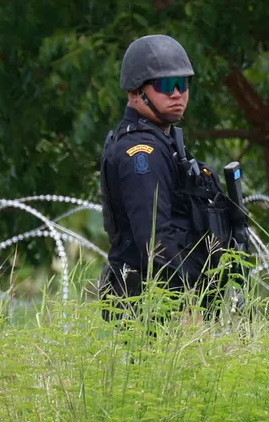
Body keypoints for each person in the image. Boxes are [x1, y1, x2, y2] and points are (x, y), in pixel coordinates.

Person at [97, 34, 247, 316]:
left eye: (183, 84)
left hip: (171, 303)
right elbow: (155, 240)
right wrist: (188, 302)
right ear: (135, 91)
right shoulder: (141, 152)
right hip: (149, 306)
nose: (177, 93)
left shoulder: (165, 143)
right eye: (166, 85)